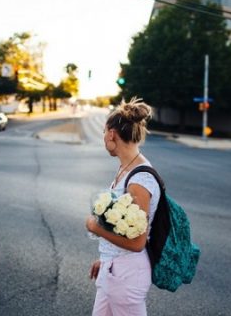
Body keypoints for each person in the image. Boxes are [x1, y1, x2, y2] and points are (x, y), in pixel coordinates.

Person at [85, 97, 160, 316]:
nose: (103, 138)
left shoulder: (139, 180)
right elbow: (123, 226)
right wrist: (106, 259)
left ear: (111, 134)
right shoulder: (125, 170)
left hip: (128, 277)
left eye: (103, 133)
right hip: (114, 270)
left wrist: (94, 227)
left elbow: (137, 242)